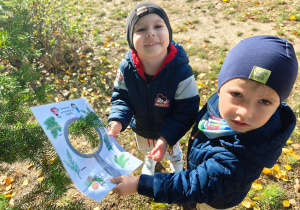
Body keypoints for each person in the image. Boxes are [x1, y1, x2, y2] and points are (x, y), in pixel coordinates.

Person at [109, 35, 298, 210]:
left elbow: (194, 185)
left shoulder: (241, 158)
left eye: (265, 102)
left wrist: (138, 184)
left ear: (278, 105)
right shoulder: (218, 106)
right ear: (220, 86)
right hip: (201, 174)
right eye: (237, 95)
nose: (245, 112)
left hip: (215, 201)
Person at [107, 1, 200, 175]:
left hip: (170, 131)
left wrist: (166, 138)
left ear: (169, 32)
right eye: (141, 29)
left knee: (171, 151)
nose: (150, 32)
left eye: (158, 26)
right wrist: (118, 120)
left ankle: (177, 161)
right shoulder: (126, 68)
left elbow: (186, 111)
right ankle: (149, 160)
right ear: (131, 39)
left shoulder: (181, 71)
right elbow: (121, 97)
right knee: (146, 149)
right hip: (141, 129)